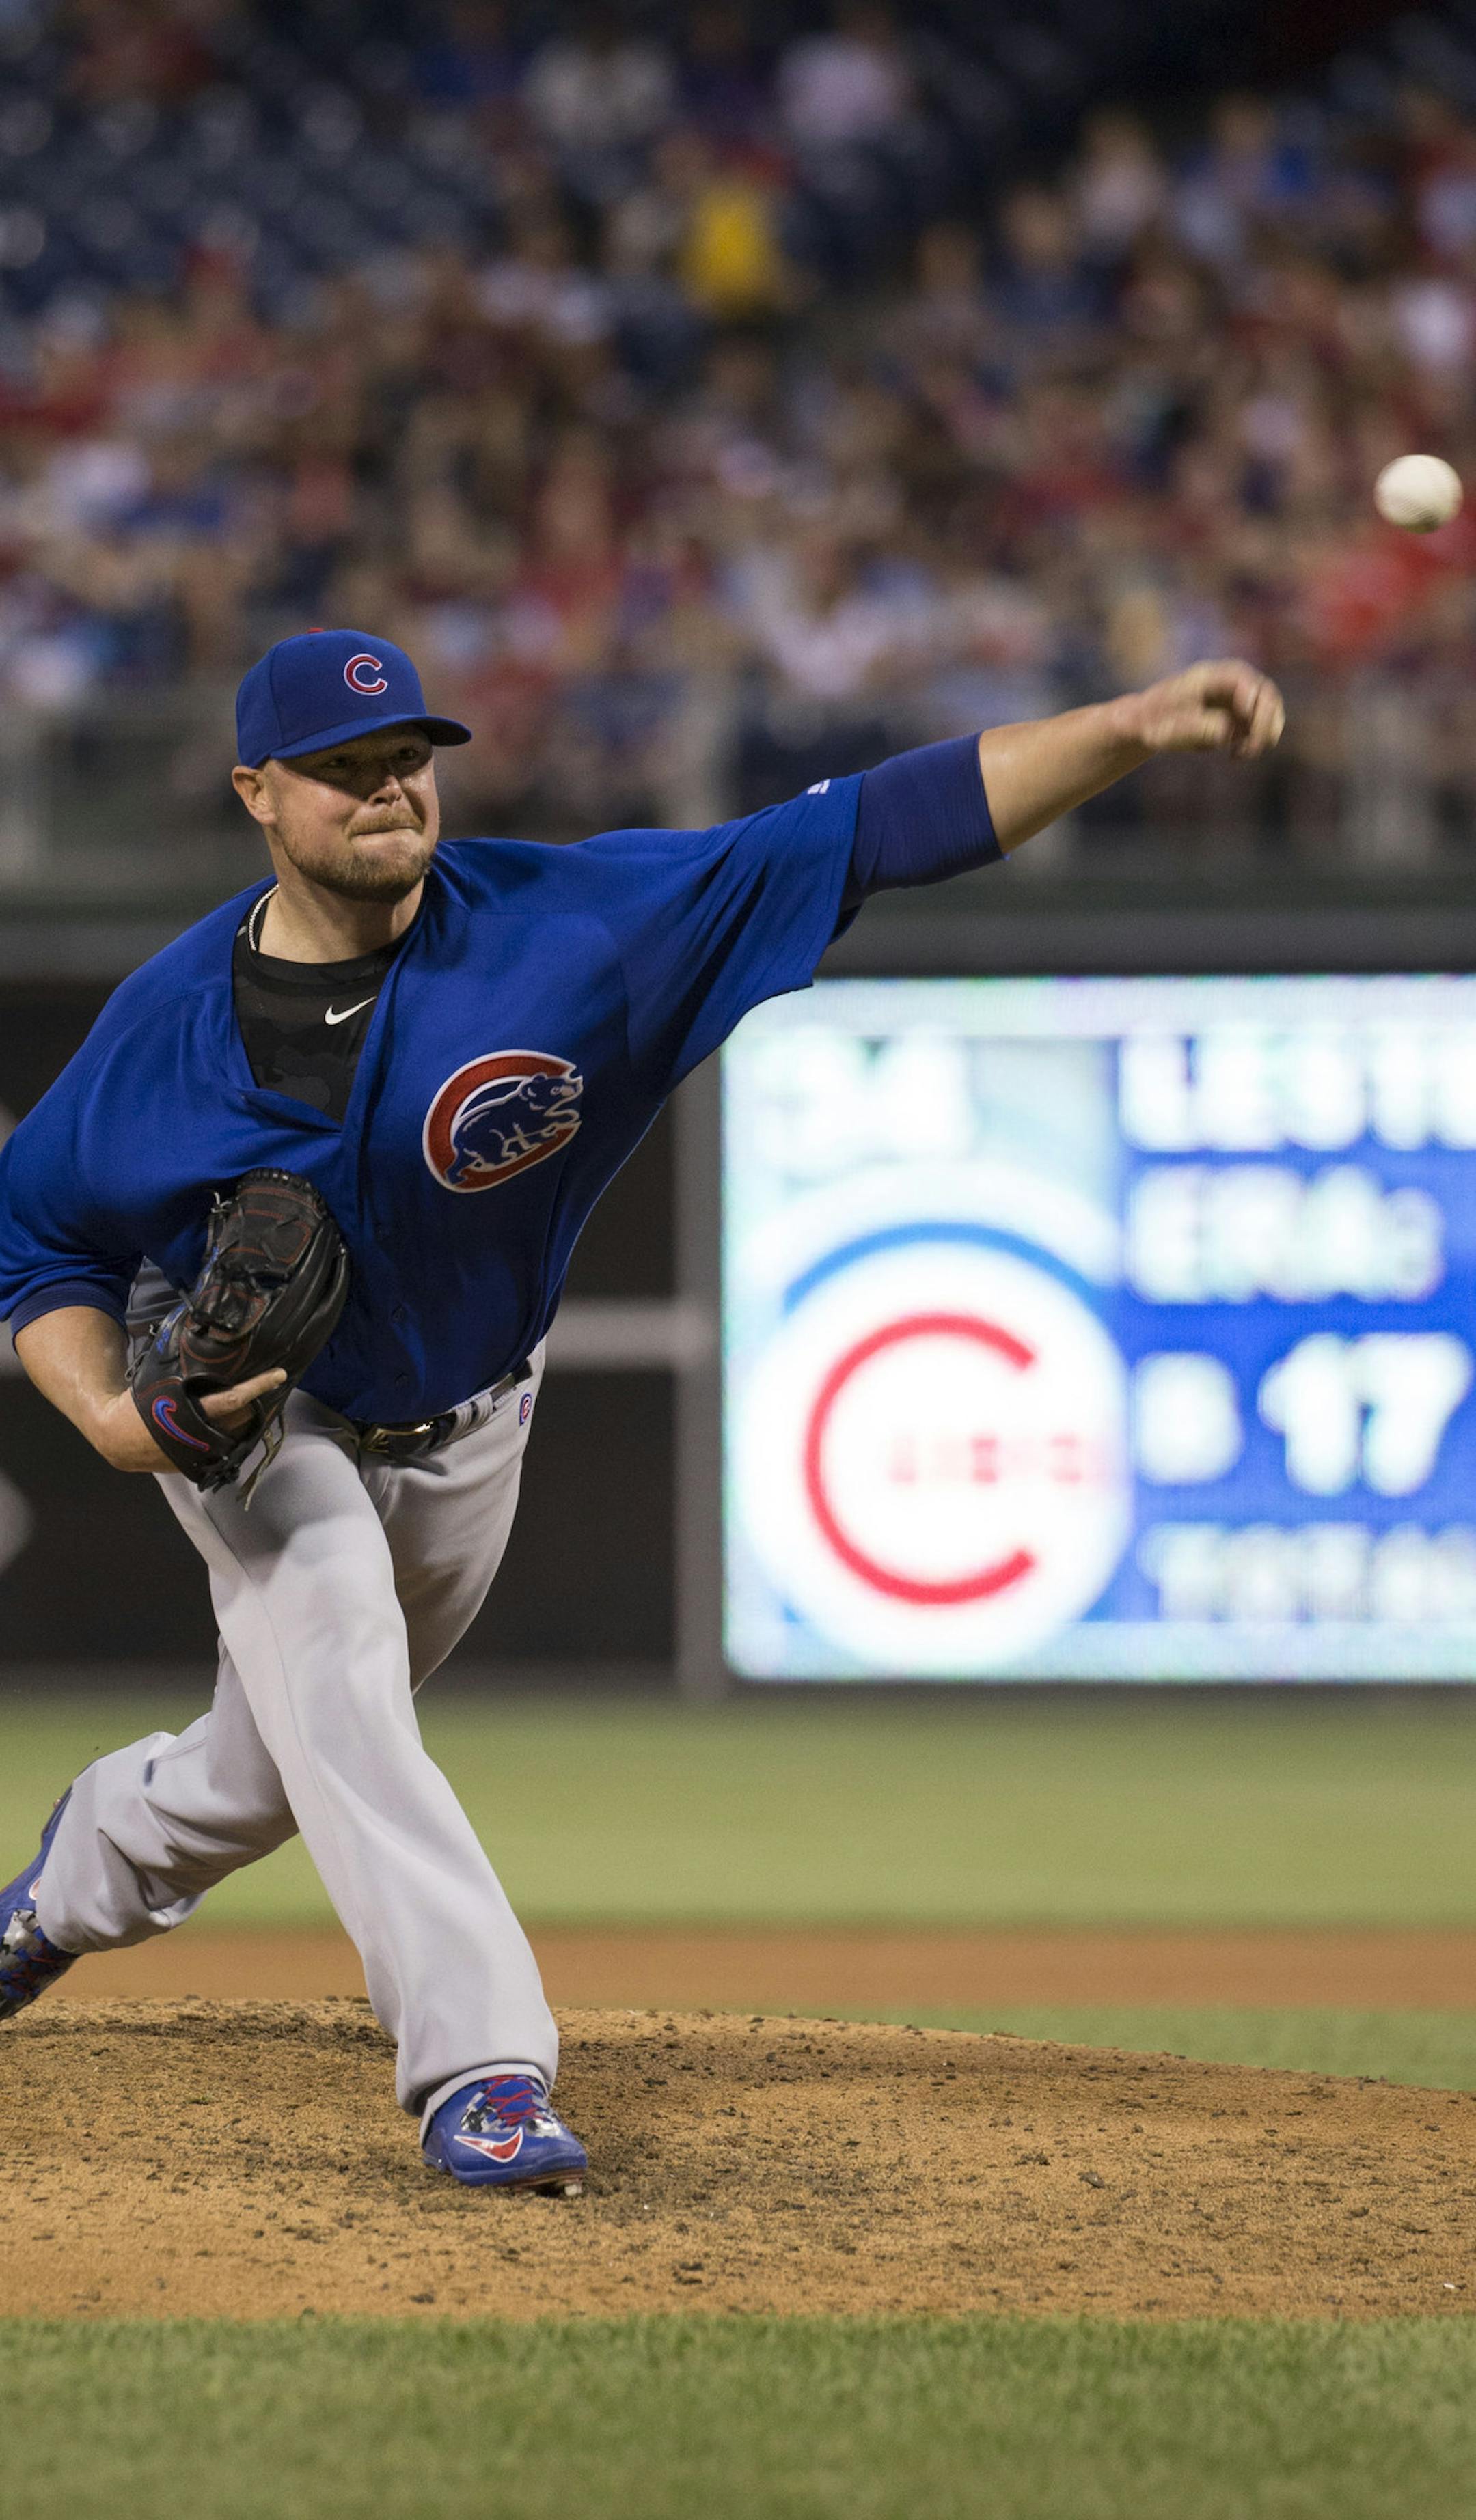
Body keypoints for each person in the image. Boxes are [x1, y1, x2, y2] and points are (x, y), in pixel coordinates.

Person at [0, 627, 1284, 2190]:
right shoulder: (164, 1026)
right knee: (333, 1648)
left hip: (476, 1416)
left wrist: (1135, 723)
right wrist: (116, 1422)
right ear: (257, 793)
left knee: (262, 1771)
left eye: (404, 755)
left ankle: (72, 1880)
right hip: (261, 1425)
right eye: (340, 770)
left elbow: (876, 823)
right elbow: (40, 1241)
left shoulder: (583, 930)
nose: (386, 787)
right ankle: (482, 2069)